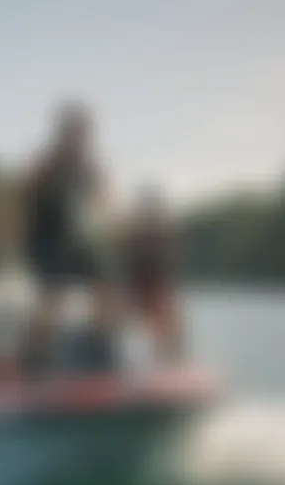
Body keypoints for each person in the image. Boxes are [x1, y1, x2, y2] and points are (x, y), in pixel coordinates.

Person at [16, 101, 119, 373]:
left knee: (108, 289)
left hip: (75, 242)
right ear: (63, 133)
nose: (82, 138)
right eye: (76, 131)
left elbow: (106, 200)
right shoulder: (47, 164)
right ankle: (32, 361)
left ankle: (99, 352)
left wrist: (113, 222)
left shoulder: (89, 167)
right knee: (54, 297)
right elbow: (23, 197)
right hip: (44, 241)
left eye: (85, 132)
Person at [120, 182, 184, 362]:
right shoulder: (131, 233)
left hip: (156, 289)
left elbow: (170, 265)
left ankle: (173, 362)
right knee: (158, 326)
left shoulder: (163, 234)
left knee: (169, 325)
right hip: (137, 289)